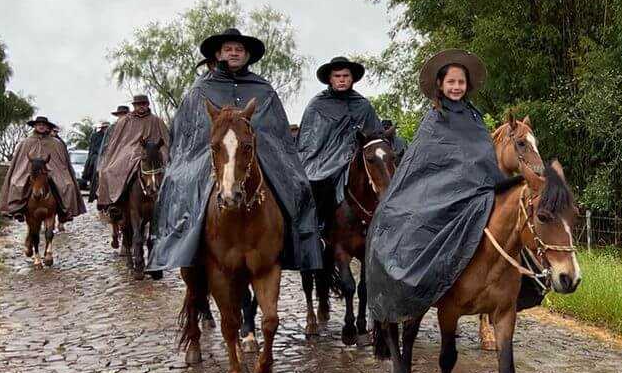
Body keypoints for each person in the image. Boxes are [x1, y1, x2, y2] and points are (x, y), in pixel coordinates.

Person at [146, 26, 319, 279]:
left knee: (299, 184)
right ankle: (176, 248)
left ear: (247, 55)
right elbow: (187, 133)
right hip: (208, 156)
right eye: (228, 49)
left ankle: (303, 246)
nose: (234, 53)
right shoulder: (200, 90)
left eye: (239, 50)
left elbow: (277, 132)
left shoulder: (264, 89)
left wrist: (257, 146)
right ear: (218, 53)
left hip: (258, 154)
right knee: (177, 185)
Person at [366, 50, 500, 323]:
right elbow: (423, 165)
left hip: (476, 194)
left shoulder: (476, 120)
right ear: (440, 85)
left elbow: (482, 159)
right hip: (436, 197)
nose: (456, 87)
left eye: (460, 82)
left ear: (468, 85)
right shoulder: (432, 121)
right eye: (451, 82)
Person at [297, 56, 384, 242]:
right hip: (324, 160)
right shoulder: (317, 105)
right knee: (314, 186)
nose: (342, 79)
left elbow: (375, 135)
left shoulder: (363, 105)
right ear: (330, 79)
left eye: (345, 75)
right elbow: (309, 141)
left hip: (359, 159)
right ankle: (317, 233)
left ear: (352, 78)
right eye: (337, 76)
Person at [0, 116, 88, 222]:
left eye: (43, 125)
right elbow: (20, 161)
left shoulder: (56, 143)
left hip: (52, 170)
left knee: (67, 184)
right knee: (17, 182)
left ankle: (65, 211)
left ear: (47, 127)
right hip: (29, 170)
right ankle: (17, 209)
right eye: (39, 125)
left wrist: (55, 170)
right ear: (34, 126)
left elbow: (62, 161)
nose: (41, 127)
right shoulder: (26, 142)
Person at [93, 94, 170, 209]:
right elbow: (117, 142)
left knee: (167, 167)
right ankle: (113, 202)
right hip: (129, 150)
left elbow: (166, 140)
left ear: (148, 105)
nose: (141, 107)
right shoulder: (125, 121)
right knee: (108, 171)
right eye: (138, 104)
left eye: (143, 104)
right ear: (134, 106)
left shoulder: (156, 121)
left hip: (153, 150)